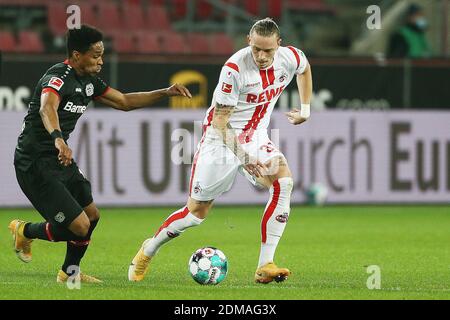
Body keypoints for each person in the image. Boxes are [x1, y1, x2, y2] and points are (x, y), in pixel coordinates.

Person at [128, 18, 312, 284]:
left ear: (278, 45)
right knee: (195, 214)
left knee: (283, 182)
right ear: (249, 40)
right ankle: (148, 249)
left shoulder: (290, 57)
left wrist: (306, 109)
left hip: (255, 136)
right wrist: (244, 157)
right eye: (256, 48)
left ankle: (265, 265)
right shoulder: (234, 69)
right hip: (220, 141)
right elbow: (219, 122)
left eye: (268, 50)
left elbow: (304, 69)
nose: (261, 56)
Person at [9, 25, 192, 283]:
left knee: (92, 215)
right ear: (76, 55)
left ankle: (68, 273)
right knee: (79, 226)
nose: (101, 61)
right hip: (34, 161)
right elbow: (46, 108)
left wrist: (164, 92)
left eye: (102, 55)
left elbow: (125, 102)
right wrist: (58, 139)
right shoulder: (57, 78)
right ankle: (25, 230)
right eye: (95, 55)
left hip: (61, 159)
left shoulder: (90, 83)